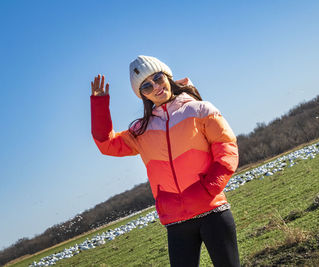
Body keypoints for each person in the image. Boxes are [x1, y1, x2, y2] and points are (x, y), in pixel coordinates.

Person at [90, 55, 240, 267]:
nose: (156, 87)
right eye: (146, 86)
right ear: (142, 95)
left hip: (213, 212)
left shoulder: (200, 109)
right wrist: (99, 105)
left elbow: (227, 148)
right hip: (176, 222)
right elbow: (106, 144)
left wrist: (208, 189)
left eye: (158, 78)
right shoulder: (141, 131)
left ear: (168, 76)